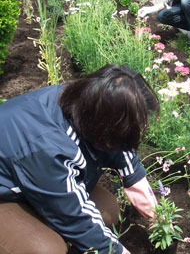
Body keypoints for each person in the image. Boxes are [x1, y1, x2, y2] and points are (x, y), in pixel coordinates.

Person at [0, 64, 160, 254]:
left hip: (35, 178)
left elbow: (126, 159)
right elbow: (76, 220)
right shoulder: (49, 147)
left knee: (109, 210)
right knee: (47, 250)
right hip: (6, 192)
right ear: (105, 128)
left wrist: (160, 220)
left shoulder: (88, 101)